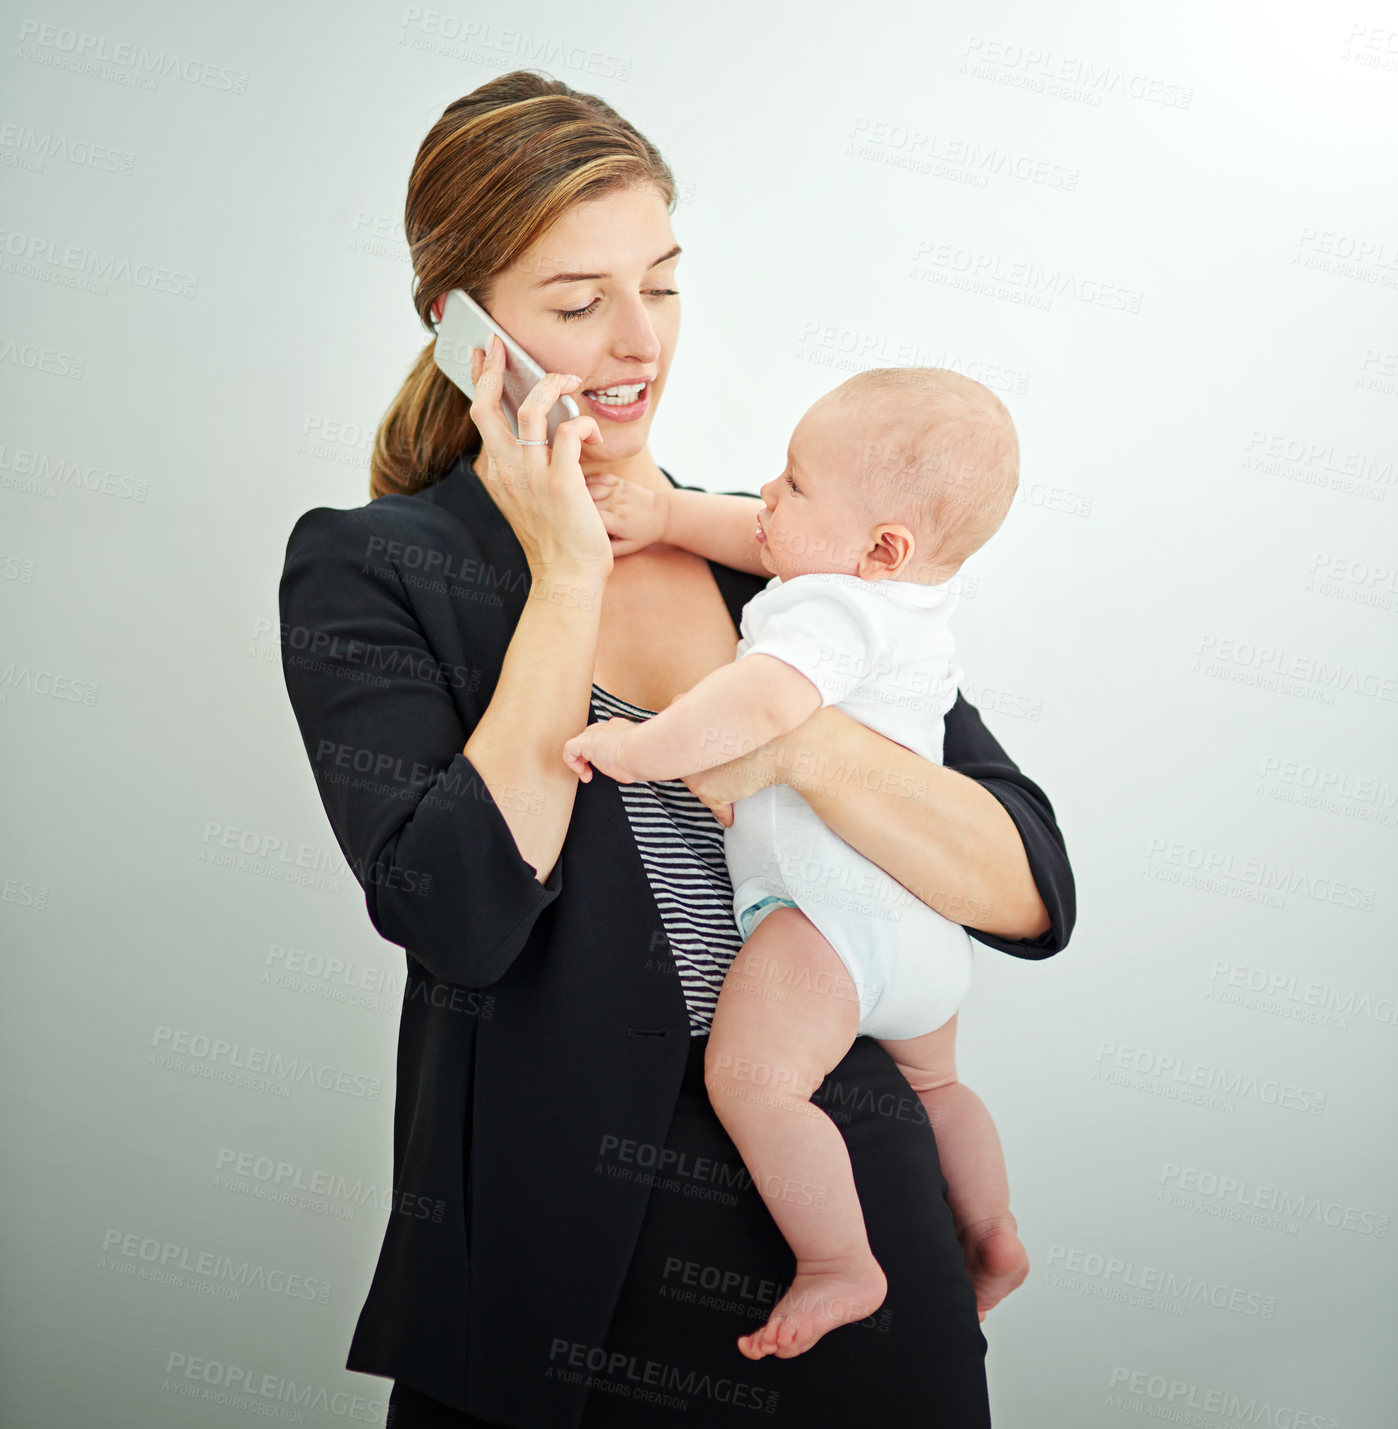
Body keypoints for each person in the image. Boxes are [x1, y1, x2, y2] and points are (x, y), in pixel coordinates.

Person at [277, 70, 1075, 1429]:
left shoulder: (775, 558)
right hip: (560, 1286)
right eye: (576, 303)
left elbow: (1026, 891)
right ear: (462, 331)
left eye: (662, 281)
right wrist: (567, 575)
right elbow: (457, 915)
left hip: (856, 1243)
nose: (635, 340)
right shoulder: (374, 569)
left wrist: (794, 734)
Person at [560, 365, 1026, 1361]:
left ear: (881, 545)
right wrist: (670, 512)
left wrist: (645, 750)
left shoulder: (829, 619)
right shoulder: (904, 597)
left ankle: (838, 1260)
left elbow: (764, 704)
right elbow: (764, 540)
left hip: (827, 923)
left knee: (759, 1080)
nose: (767, 495)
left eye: (796, 481)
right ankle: (989, 1224)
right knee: (939, 1091)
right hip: (925, 946)